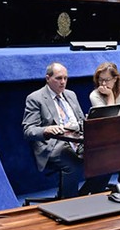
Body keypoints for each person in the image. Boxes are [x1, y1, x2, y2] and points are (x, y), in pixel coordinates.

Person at [22, 62, 110, 198]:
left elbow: (81, 120)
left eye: (65, 78)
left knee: (106, 159)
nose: (63, 82)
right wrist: (46, 129)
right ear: (47, 78)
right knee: (73, 165)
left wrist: (87, 121)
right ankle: (68, 204)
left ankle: (87, 195)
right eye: (58, 78)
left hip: (78, 140)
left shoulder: (71, 95)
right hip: (54, 144)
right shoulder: (35, 98)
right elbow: (28, 130)